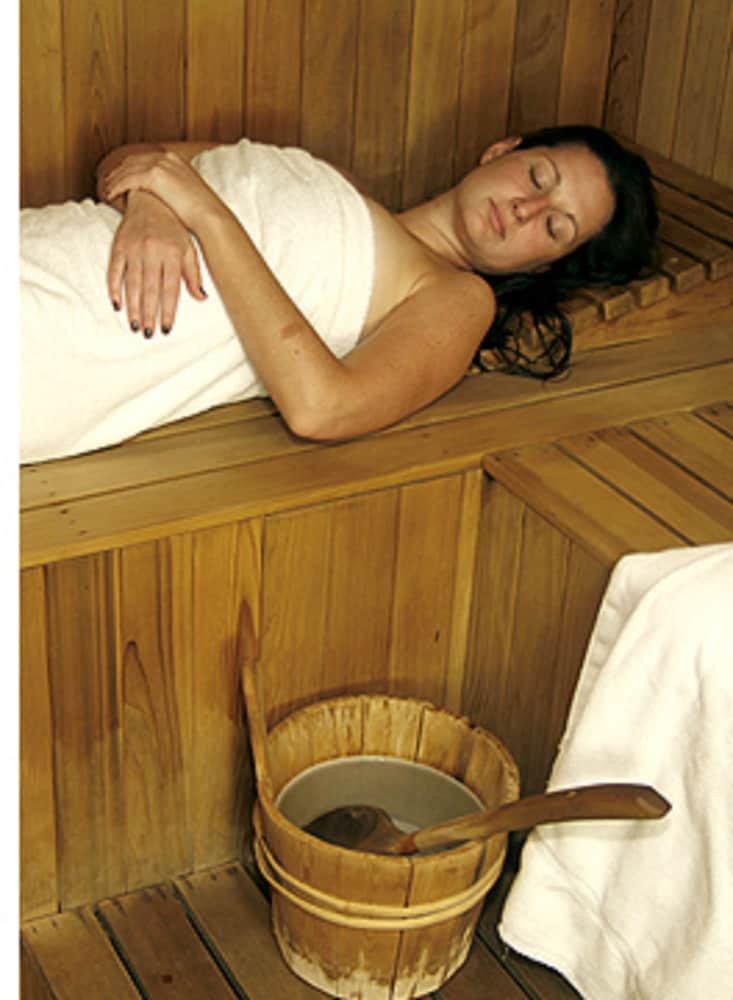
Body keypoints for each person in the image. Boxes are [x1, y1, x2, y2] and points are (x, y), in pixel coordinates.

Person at [20, 125, 657, 463]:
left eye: (555, 226)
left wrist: (205, 214)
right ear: (502, 150)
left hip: (56, 344)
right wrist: (152, 207)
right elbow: (135, 158)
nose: (525, 208)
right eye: (539, 177)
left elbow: (323, 408)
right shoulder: (329, 176)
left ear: (546, 264)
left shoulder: (456, 298)